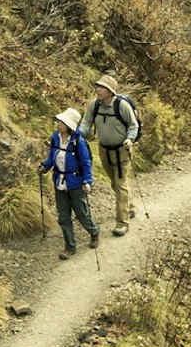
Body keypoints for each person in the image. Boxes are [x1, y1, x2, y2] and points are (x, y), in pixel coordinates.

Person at [37, 108, 100, 257]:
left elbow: (85, 163)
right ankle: (70, 247)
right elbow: (52, 156)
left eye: (62, 122)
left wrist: (87, 181)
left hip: (76, 183)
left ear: (69, 125)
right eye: (59, 121)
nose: (59, 123)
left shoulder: (79, 142)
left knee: (82, 214)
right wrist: (45, 166)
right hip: (60, 182)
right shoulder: (55, 138)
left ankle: (94, 232)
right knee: (63, 216)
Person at [85, 76, 142, 234]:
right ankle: (129, 207)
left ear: (110, 91)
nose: (98, 90)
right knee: (114, 183)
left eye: (102, 87)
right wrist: (76, 136)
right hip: (104, 150)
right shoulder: (94, 105)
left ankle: (122, 223)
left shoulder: (122, 106)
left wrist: (130, 139)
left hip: (122, 150)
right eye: (97, 86)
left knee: (120, 184)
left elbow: (133, 125)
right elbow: (86, 123)